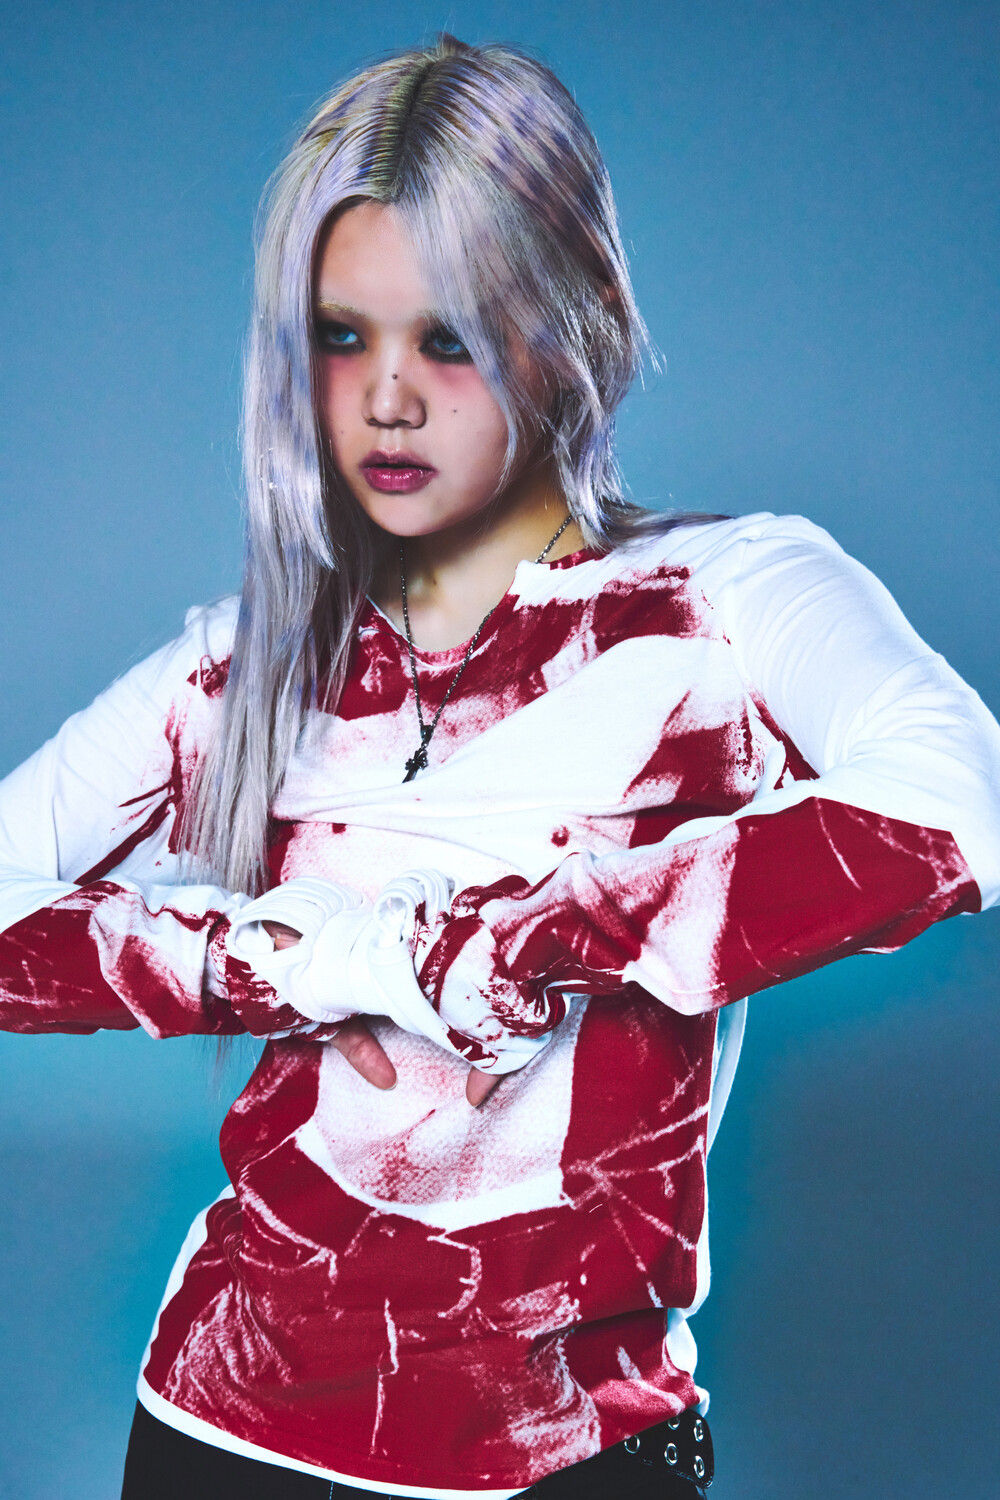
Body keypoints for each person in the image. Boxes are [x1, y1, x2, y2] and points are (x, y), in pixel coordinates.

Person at [1, 33, 998, 1500]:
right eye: (345, 336)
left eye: (450, 338)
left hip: (576, 1447)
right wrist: (287, 961)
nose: (388, 398)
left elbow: (959, 804)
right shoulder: (250, 664)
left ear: (569, 321)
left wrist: (517, 942)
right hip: (228, 1427)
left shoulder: (721, 602)